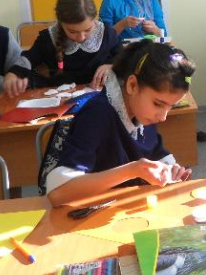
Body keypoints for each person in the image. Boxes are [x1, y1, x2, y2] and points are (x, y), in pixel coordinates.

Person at [46, 41, 195, 207]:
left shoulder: (141, 110)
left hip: (124, 205)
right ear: (132, 85)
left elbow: (155, 152)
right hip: (89, 211)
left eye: (171, 106)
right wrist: (131, 171)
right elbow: (57, 194)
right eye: (158, 104)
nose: (163, 117)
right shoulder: (97, 115)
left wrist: (170, 170)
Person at [5, 0, 121, 96]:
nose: (81, 37)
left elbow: (124, 58)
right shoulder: (48, 38)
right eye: (72, 31)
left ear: (94, 19)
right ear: (61, 23)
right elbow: (28, 58)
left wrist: (112, 66)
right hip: (61, 97)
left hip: (99, 96)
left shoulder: (106, 34)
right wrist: (13, 74)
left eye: (87, 30)